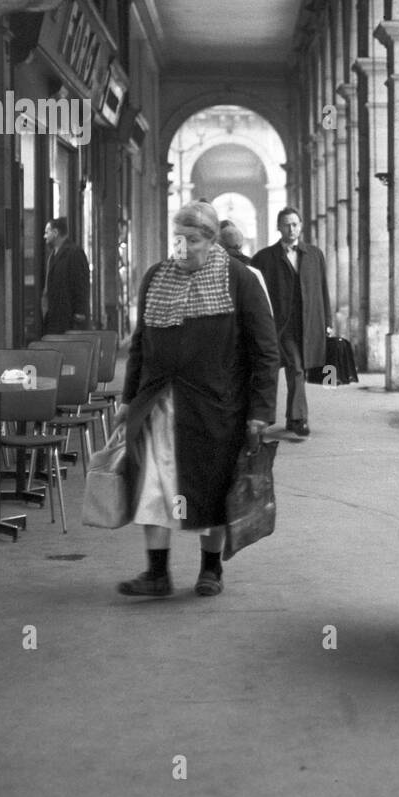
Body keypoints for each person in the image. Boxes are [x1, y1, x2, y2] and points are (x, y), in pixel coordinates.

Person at [115, 200, 280, 598]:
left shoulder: (239, 279)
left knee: (211, 489)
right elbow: (139, 345)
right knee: (153, 485)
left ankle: (210, 570)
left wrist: (260, 412)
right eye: (178, 239)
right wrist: (127, 399)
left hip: (216, 408)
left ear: (211, 240)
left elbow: (266, 351)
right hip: (159, 404)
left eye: (192, 239)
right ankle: (157, 573)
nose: (183, 248)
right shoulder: (156, 277)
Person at [252, 207, 332, 437]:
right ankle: (299, 419)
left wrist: (327, 319)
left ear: (301, 226)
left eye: (295, 224)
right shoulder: (264, 258)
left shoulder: (315, 255)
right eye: (286, 224)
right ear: (279, 227)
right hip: (280, 326)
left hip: (308, 324)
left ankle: (291, 417)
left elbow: (323, 290)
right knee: (295, 368)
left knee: (300, 371)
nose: (292, 229)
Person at [41, 217, 90, 335]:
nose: (44, 236)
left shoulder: (74, 253)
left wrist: (80, 313)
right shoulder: (52, 256)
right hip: (55, 317)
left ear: (56, 232)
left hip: (69, 318)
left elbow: (81, 284)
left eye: (47, 232)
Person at [219, 219, 273, 314]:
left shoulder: (215, 269)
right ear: (241, 244)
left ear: (220, 244)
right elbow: (265, 307)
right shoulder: (253, 269)